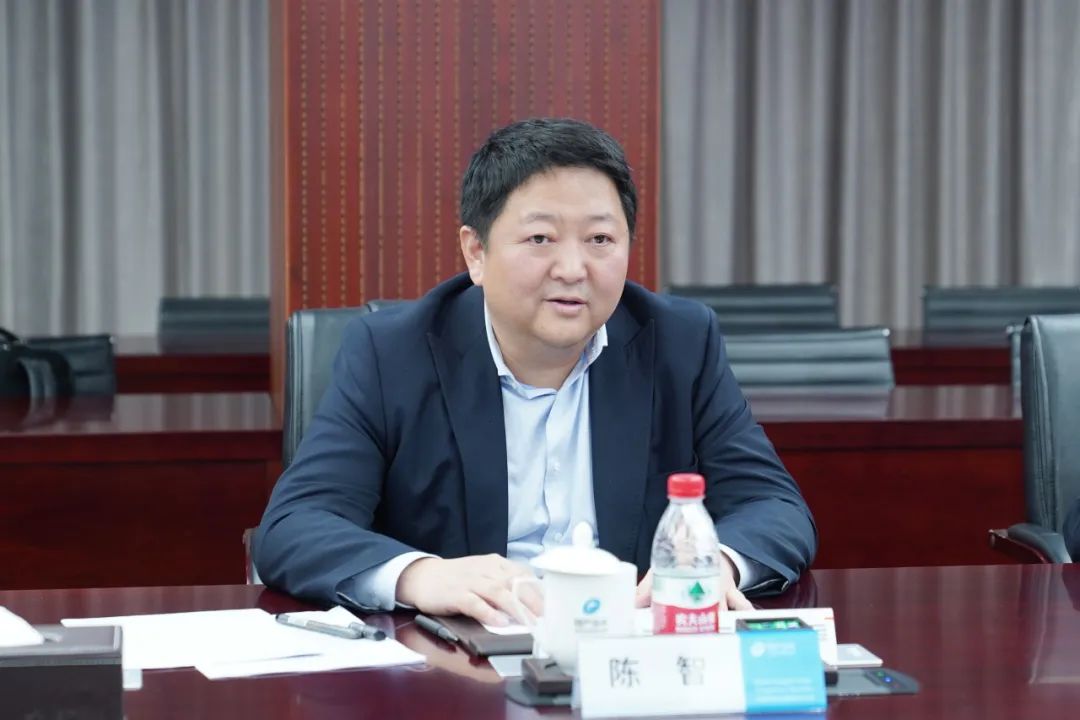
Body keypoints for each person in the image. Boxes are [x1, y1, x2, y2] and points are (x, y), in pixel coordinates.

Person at [254, 118, 817, 626]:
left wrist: (715, 564)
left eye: (600, 240)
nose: (572, 269)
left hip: (626, 654)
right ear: (476, 253)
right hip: (456, 664)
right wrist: (423, 575)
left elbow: (775, 508)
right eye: (540, 239)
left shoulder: (679, 342)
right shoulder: (392, 353)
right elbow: (296, 525)